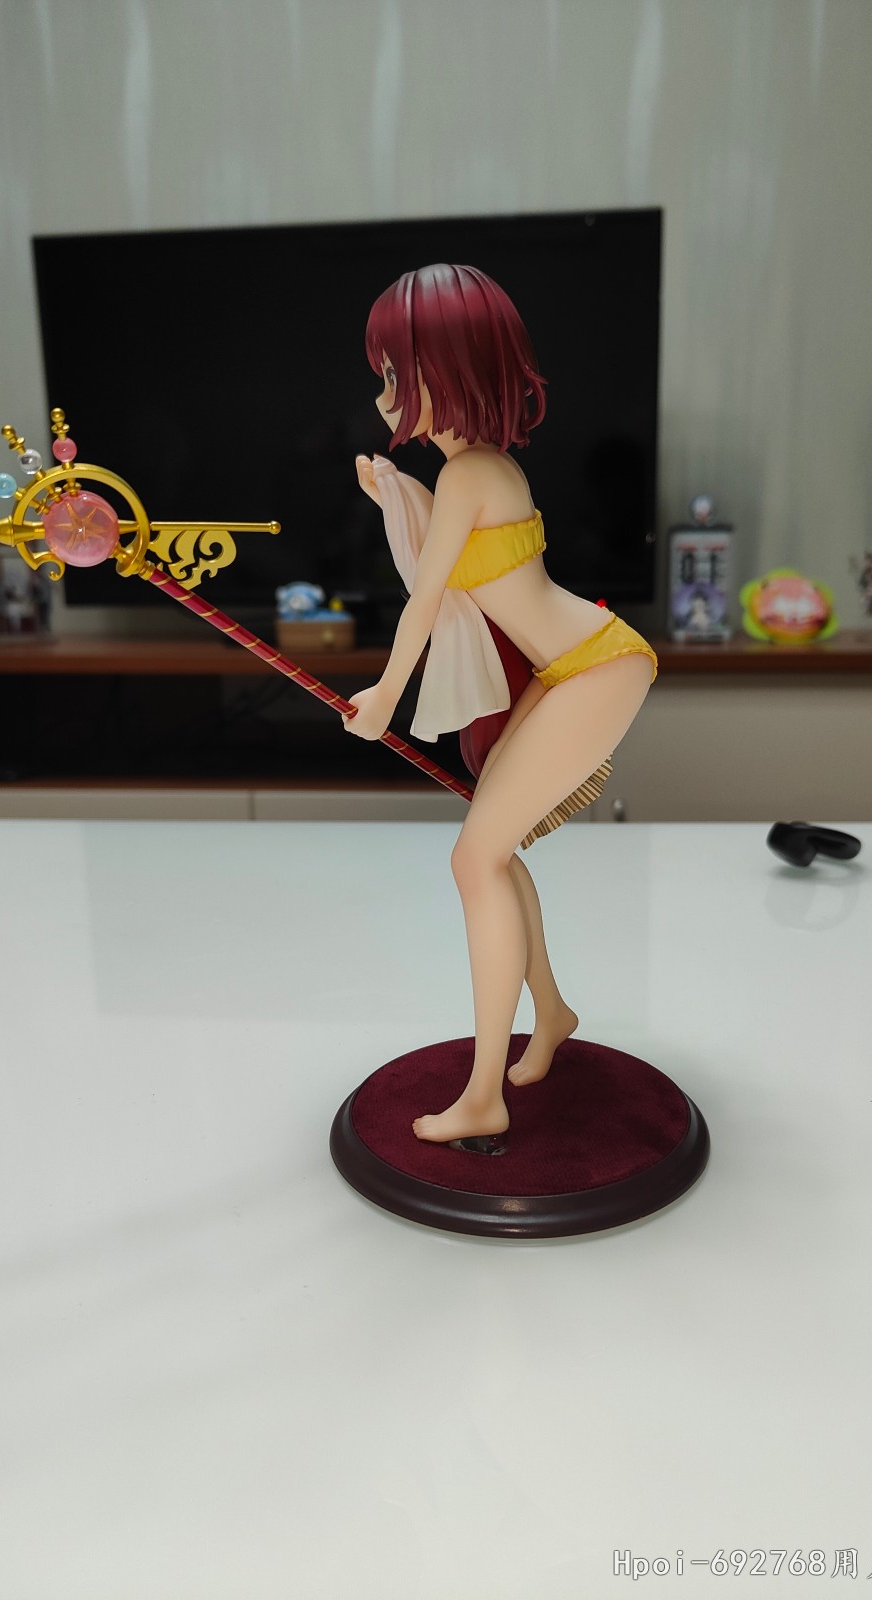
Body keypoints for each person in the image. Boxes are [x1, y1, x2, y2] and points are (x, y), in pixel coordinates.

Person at [343, 264, 658, 1150]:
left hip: (597, 668)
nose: (383, 392)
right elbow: (456, 578)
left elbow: (424, 599)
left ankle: (484, 1095)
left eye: (396, 372)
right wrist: (395, 495)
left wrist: (386, 697)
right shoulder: (474, 471)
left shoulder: (470, 476)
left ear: (445, 371)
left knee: (474, 858)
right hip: (574, 666)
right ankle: (550, 1013)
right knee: (493, 850)